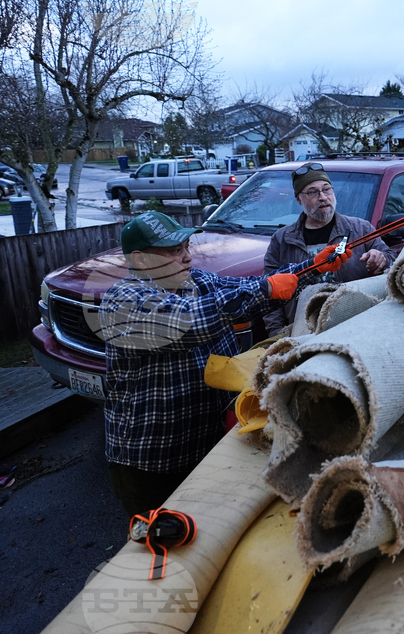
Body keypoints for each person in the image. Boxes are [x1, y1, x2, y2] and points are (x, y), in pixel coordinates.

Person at [99, 211, 351, 516]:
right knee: (158, 547)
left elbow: (249, 288)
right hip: (152, 462)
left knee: (206, 533)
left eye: (186, 247)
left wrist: (311, 267)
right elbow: (191, 321)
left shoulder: (197, 281)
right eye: (174, 251)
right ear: (140, 260)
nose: (187, 257)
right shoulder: (122, 301)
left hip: (207, 448)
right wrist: (264, 290)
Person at [263, 162, 396, 336]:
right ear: (298, 199)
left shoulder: (361, 229)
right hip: (302, 332)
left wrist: (382, 259)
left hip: (356, 326)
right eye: (313, 192)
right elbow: (269, 294)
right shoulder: (282, 240)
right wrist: (277, 334)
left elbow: (393, 262)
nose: (323, 197)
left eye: (327, 189)